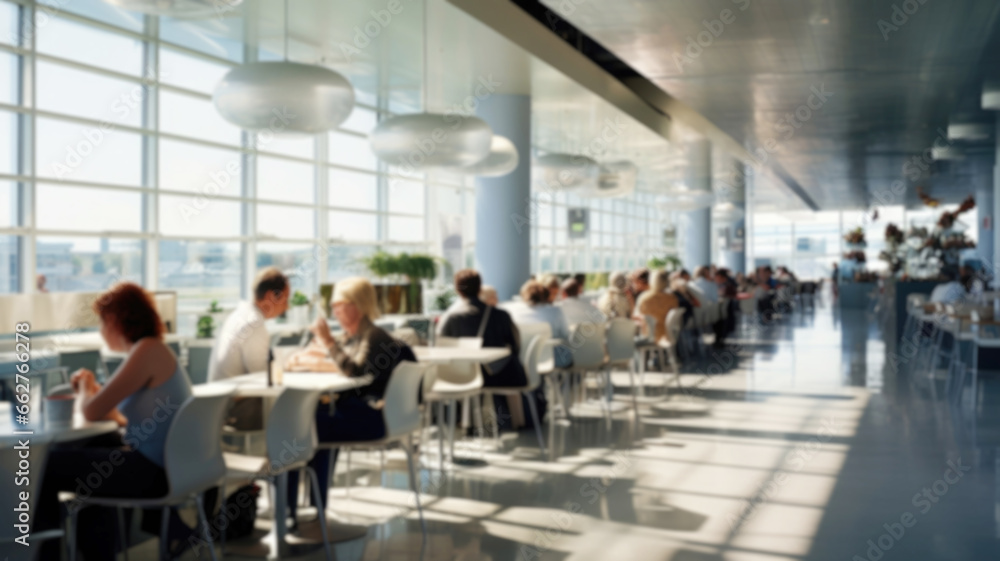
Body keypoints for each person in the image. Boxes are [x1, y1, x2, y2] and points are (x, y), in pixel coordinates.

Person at [35, 283, 198, 559]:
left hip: (155, 474)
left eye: (102, 321)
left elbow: (90, 412)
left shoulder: (146, 351)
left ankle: (46, 554)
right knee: (95, 447)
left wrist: (86, 385)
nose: (101, 330)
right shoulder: (154, 350)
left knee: (44, 466)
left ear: (115, 320)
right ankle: (97, 553)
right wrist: (94, 394)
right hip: (174, 469)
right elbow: (121, 416)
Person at [287, 277, 417, 523]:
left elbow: (355, 372)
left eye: (339, 304)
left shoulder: (373, 336)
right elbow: (345, 366)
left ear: (356, 305)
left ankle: (291, 511)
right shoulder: (357, 336)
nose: (334, 311)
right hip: (375, 415)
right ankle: (313, 508)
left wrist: (327, 341)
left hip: (375, 419)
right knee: (313, 420)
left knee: (301, 426)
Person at [208, 267, 289, 429]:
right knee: (295, 408)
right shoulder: (254, 323)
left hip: (221, 403)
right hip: (236, 408)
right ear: (271, 296)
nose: (287, 307)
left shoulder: (241, 315)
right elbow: (262, 376)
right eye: (286, 299)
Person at [438, 269, 527, 387]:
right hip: (500, 377)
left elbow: (440, 348)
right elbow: (515, 346)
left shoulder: (452, 317)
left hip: (461, 379)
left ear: (458, 290)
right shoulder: (501, 315)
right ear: (480, 288)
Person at [508, 279, 573, 367]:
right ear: (546, 295)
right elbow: (565, 335)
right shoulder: (555, 311)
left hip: (520, 359)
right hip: (551, 359)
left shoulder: (513, 312)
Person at [635, 269, 680, 345]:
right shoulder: (673, 298)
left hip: (648, 336)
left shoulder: (644, 298)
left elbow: (638, 317)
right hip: (668, 336)